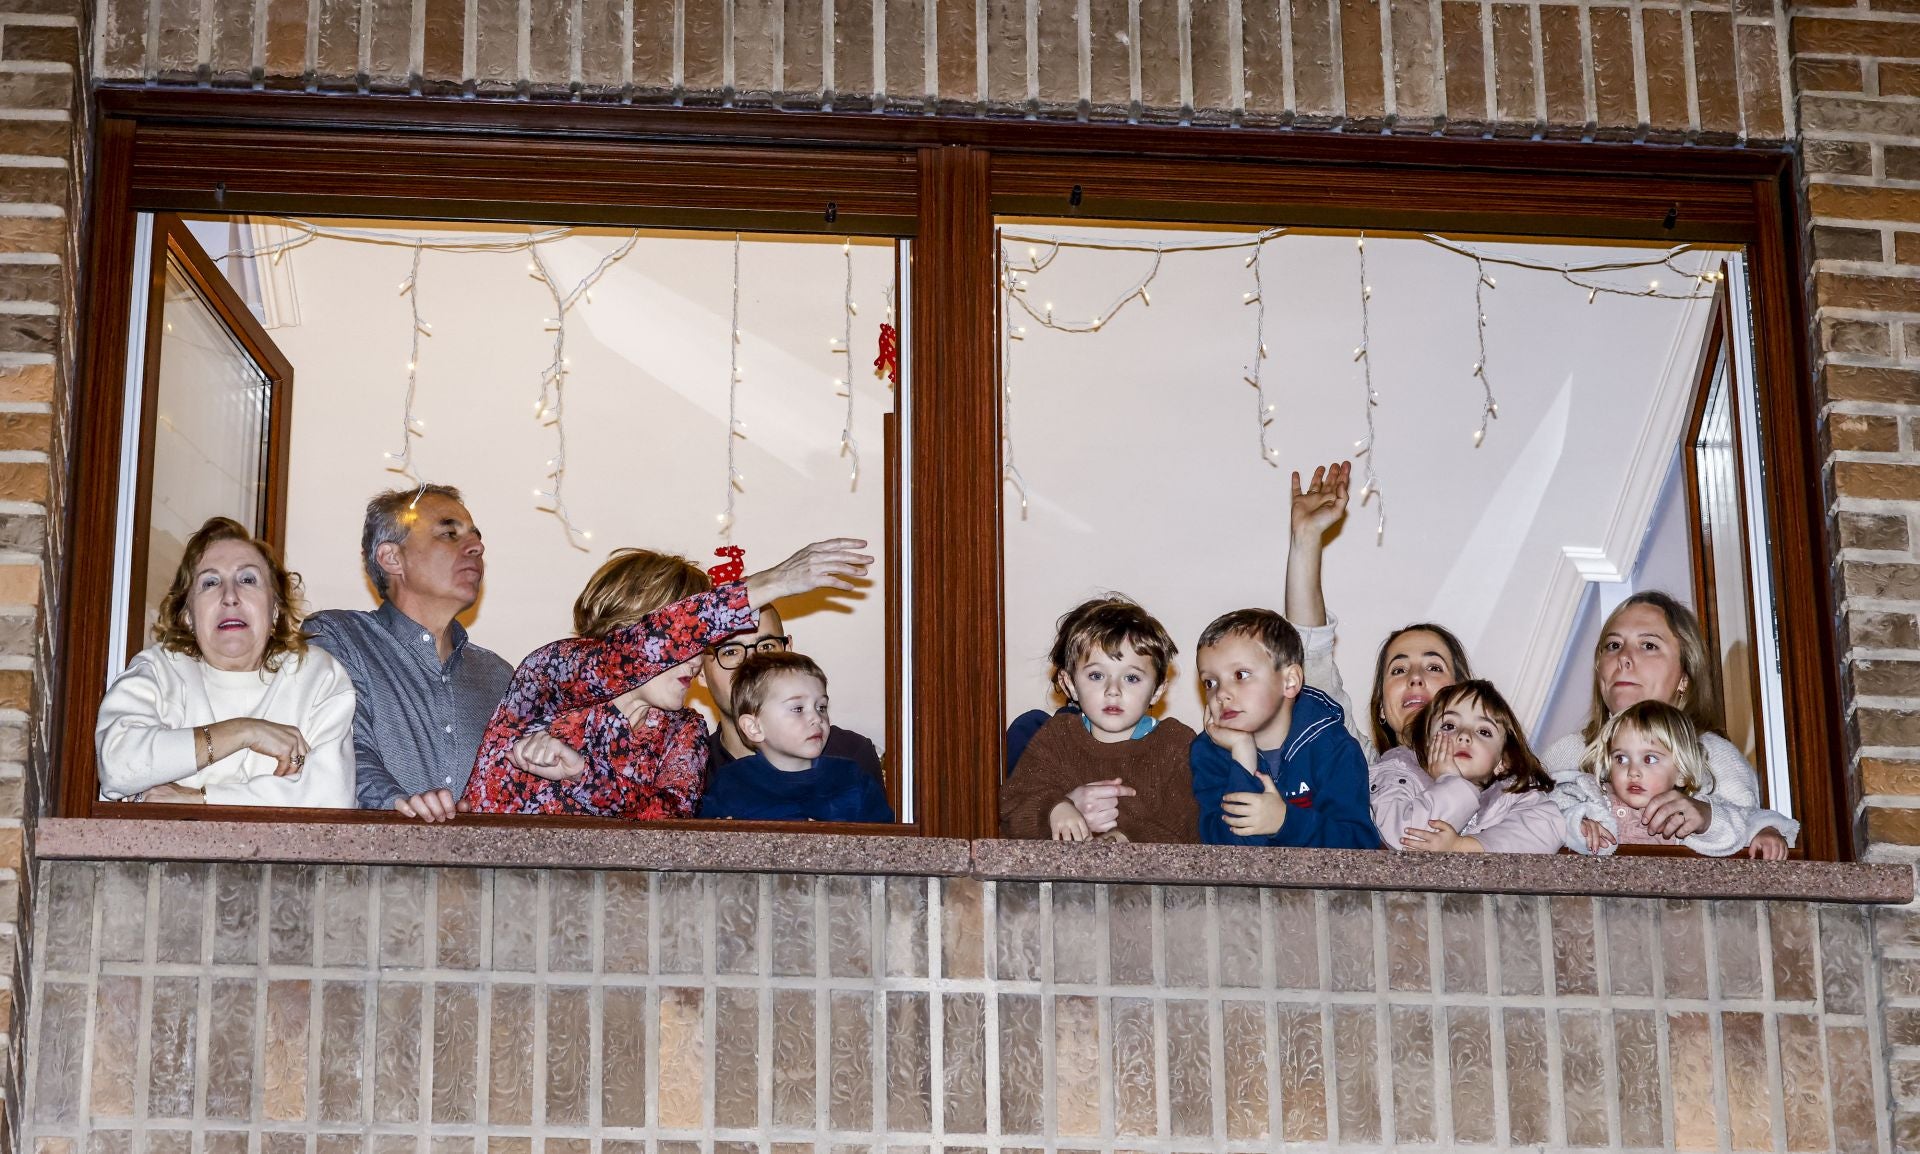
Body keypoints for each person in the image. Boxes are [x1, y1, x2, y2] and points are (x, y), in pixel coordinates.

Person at [459, 538, 869, 819]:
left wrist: (582, 776)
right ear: (630, 625)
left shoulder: (683, 731)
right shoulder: (551, 673)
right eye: (691, 637)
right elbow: (635, 655)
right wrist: (770, 583)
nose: (696, 656)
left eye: (703, 641)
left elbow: (663, 827)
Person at [96, 516, 356, 807]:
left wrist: (199, 798)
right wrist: (245, 731)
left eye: (247, 579)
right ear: (188, 616)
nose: (230, 596)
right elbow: (118, 766)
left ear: (275, 609)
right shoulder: (159, 670)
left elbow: (331, 798)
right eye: (210, 582)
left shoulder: (316, 675)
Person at [305, 485, 514, 823]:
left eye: (476, 539)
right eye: (449, 533)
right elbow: (336, 745)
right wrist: (397, 806)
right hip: (362, 868)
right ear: (392, 558)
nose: (476, 547)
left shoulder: (500, 676)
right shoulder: (337, 637)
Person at [1541, 591, 1799, 857]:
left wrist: (1706, 815)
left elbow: (1755, 836)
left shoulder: (1715, 755)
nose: (1624, 658)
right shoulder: (1568, 752)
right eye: (1613, 645)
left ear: (1685, 676)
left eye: (1649, 645)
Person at [1285, 460, 1473, 763]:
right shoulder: (1362, 776)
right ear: (1383, 708)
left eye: (1434, 667)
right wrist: (1306, 538)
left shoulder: (1510, 789)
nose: (1415, 677)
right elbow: (1311, 661)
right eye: (1398, 670)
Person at [998, 596, 1199, 843]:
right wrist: (1053, 809)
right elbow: (1012, 806)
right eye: (1096, 675)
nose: (1112, 690)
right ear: (1069, 684)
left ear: (1157, 690)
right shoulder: (1055, 738)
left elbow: (1188, 821)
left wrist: (1128, 837)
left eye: (1132, 678)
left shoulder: (1176, 744)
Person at [1188, 608, 1378, 848]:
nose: (1221, 693)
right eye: (1210, 682)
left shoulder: (1333, 747)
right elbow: (1228, 857)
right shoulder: (1209, 752)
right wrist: (1242, 756)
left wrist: (1284, 821)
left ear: (1290, 681)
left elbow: (1359, 847)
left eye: (1240, 674)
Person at [1559, 699, 1792, 858]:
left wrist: (1764, 831)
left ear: (1681, 773)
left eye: (1649, 759)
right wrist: (1578, 822)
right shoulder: (1592, 796)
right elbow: (1553, 807)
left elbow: (1745, 819)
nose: (1633, 771)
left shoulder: (1687, 812)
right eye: (1621, 759)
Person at [700, 600, 883, 784]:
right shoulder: (691, 773)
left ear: (788, 651)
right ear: (699, 670)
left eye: (767, 647)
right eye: (730, 652)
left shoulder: (852, 757)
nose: (752, 665)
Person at [697, 651, 893, 822]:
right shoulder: (731, 783)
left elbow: (889, 847)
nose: (816, 718)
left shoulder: (852, 779)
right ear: (754, 727)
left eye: (821, 707)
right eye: (798, 708)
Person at [1369, 680, 1561, 853]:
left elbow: (1549, 828)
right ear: (1425, 745)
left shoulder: (1512, 796)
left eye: (1484, 731)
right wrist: (1451, 782)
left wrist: (1462, 846)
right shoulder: (1399, 773)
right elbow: (1408, 841)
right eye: (1449, 726)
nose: (1464, 735)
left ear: (1503, 762)